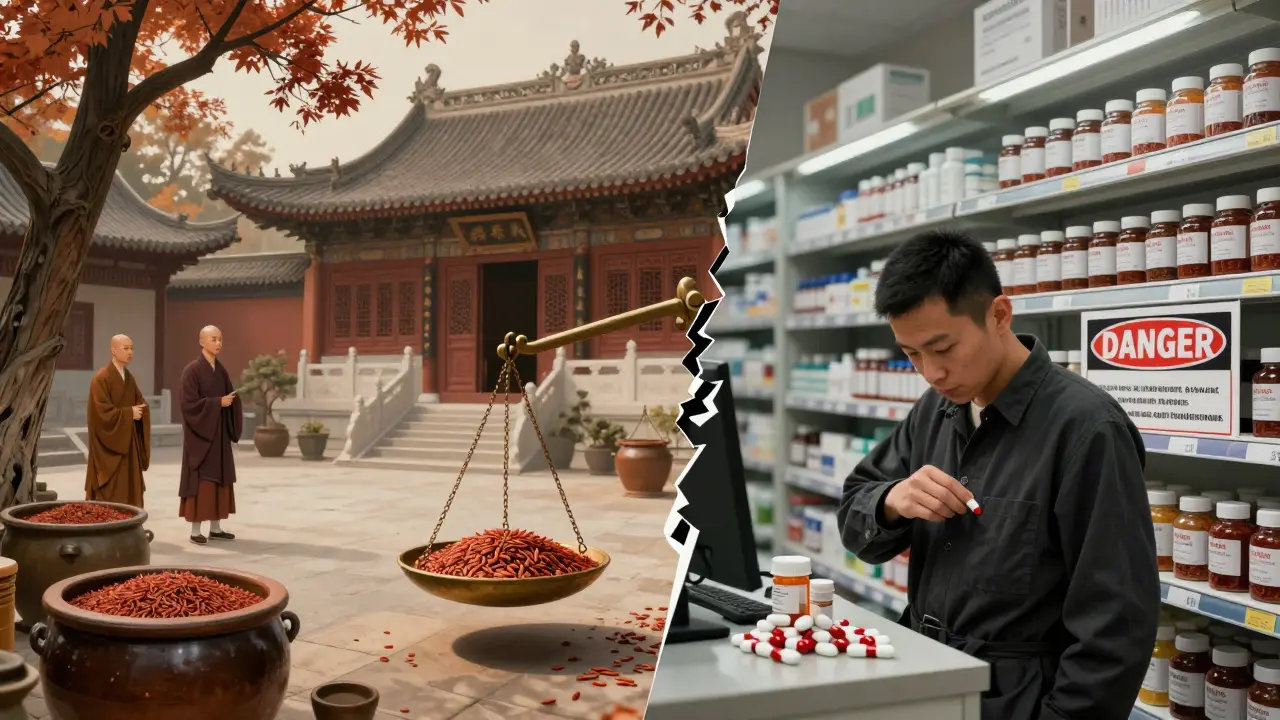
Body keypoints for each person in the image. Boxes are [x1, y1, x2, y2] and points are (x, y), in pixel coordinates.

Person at [836, 230, 1159, 720]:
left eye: (943, 348)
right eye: (912, 353)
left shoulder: (1086, 429)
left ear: (999, 316)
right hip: (927, 680)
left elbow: (1115, 627)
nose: (931, 372)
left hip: (1018, 701)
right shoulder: (935, 410)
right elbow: (856, 517)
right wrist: (892, 500)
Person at [179, 325, 242, 546]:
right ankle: (196, 529)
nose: (218, 343)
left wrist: (231, 402)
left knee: (219, 480)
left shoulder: (220, 370)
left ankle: (215, 528)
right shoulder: (192, 371)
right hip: (200, 437)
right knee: (202, 482)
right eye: (213, 339)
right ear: (201, 341)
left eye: (220, 340)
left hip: (218, 435)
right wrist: (218, 403)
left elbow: (228, 397)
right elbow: (188, 406)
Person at [85, 334, 150, 507]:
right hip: (108, 447)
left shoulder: (129, 378)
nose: (130, 352)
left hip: (128, 441)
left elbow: (140, 403)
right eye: (125, 348)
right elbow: (100, 414)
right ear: (113, 350)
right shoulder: (101, 378)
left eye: (132, 348)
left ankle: (129, 525)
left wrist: (140, 411)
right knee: (111, 490)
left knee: (129, 486)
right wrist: (129, 414)